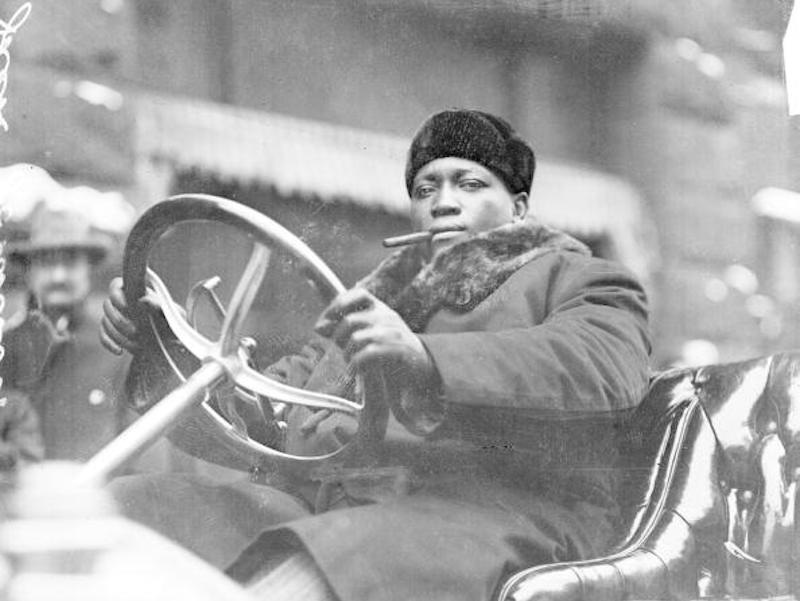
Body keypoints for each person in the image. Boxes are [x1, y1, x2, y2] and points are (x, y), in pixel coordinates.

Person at [101, 109, 652, 601]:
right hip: (336, 512)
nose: (443, 203)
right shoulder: (373, 304)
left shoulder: (580, 277)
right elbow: (272, 412)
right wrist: (157, 349)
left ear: (519, 206)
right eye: (425, 188)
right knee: (132, 511)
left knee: (300, 572)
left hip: (496, 514)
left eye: (469, 183)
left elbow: (604, 364)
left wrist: (423, 358)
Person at [2, 202, 131, 461]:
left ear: (88, 269)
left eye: (70, 263)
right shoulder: (7, 347)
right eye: (47, 263)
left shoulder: (117, 346)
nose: (59, 276)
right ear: (30, 272)